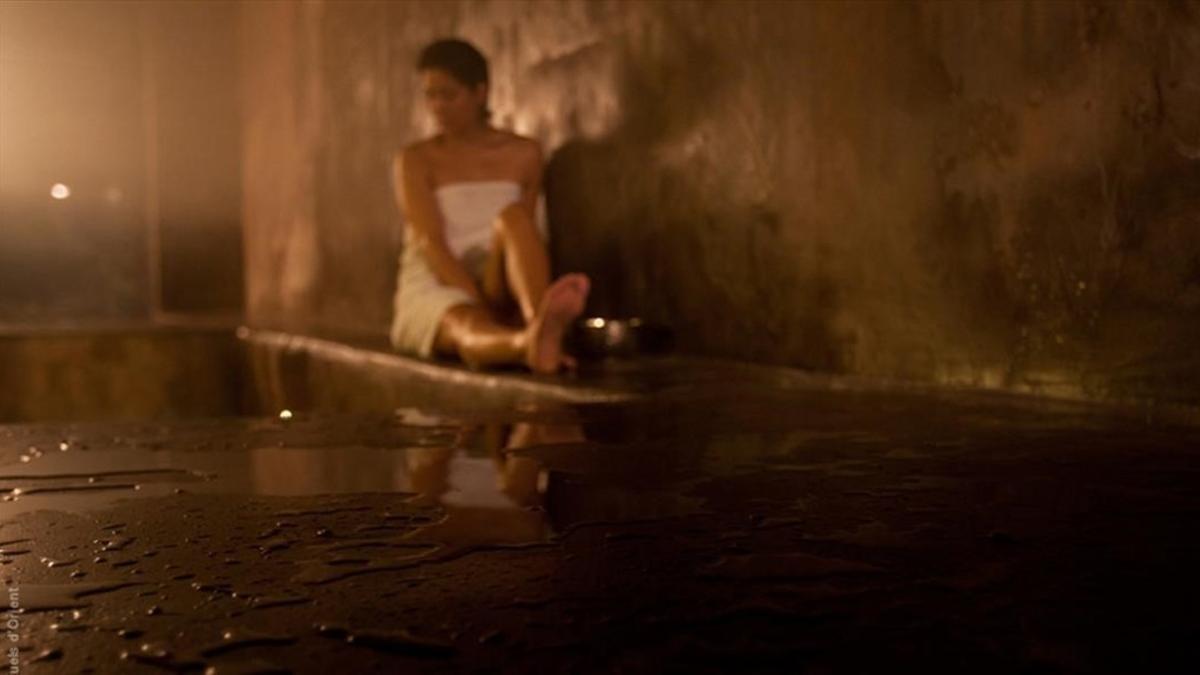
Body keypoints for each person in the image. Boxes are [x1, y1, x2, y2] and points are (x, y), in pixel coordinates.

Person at [389, 38, 590, 374]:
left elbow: (526, 235)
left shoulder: (524, 153)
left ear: (480, 93)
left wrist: (504, 302)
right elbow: (430, 243)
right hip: (438, 282)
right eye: (430, 95)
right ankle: (529, 343)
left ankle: (539, 322)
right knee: (466, 325)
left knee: (515, 218)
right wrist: (478, 305)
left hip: (498, 276)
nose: (438, 106)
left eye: (448, 95)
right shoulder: (416, 160)